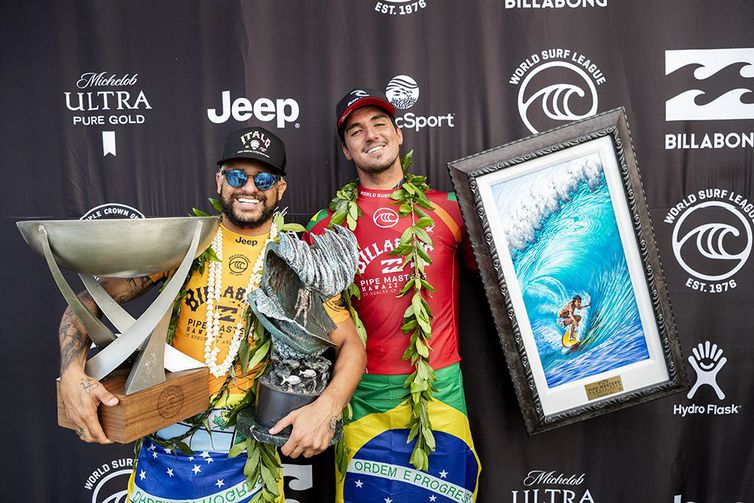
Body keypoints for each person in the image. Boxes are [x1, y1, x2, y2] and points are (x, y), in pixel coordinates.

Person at [58, 126, 366, 502]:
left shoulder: (296, 261)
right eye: (238, 175)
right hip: (161, 451)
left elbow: (351, 344)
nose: (249, 188)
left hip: (244, 463)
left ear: (280, 189)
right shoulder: (180, 246)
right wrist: (72, 373)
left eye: (264, 178)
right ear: (220, 180)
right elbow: (87, 304)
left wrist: (328, 407)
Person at [307, 88, 481, 502]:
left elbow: (510, 280)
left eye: (379, 124)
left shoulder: (451, 209)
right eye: (356, 131)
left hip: (440, 389)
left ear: (399, 134)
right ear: (347, 152)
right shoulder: (325, 228)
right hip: (363, 393)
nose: (370, 135)